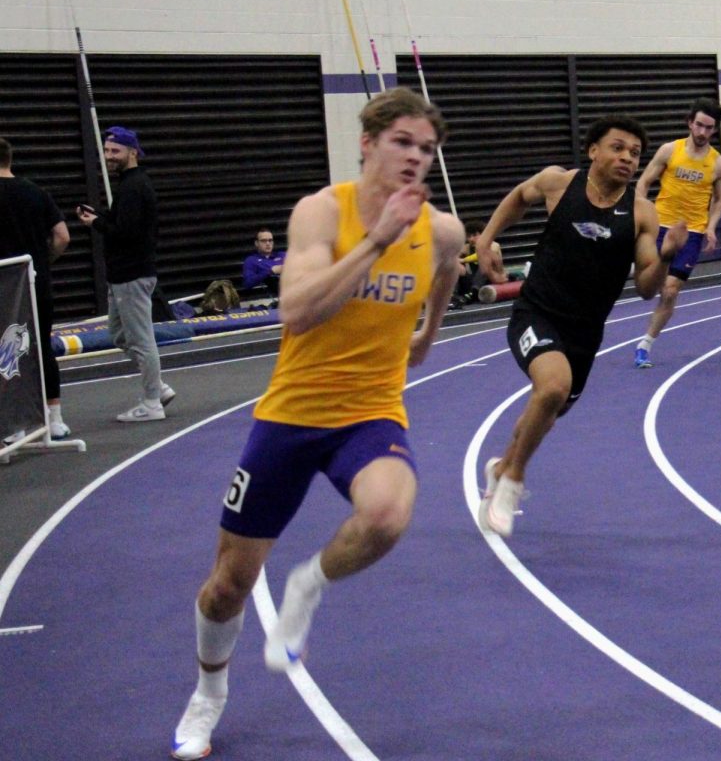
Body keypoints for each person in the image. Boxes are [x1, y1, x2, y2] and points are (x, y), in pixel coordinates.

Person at [168, 87, 463, 760]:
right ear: (367, 143)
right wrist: (377, 242)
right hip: (290, 418)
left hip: (370, 414)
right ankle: (209, 693)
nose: (416, 157)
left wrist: (427, 334)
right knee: (226, 589)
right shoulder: (321, 213)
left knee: (389, 515)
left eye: (427, 148)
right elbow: (297, 311)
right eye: (403, 143)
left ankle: (308, 584)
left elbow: (449, 263)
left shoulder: (437, 228)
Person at [474, 115, 686, 538]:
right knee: (551, 387)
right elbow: (519, 196)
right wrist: (485, 239)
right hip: (536, 312)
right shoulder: (559, 184)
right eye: (618, 147)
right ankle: (512, 482)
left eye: (635, 153)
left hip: (585, 332)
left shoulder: (642, 213)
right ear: (593, 151)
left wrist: (664, 257)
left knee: (550, 409)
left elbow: (646, 288)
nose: (627, 157)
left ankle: (500, 466)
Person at [75, 126, 176, 422]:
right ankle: (158, 386)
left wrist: (96, 224)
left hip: (133, 275)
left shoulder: (135, 187)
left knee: (142, 341)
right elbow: (121, 223)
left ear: (132, 152)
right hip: (121, 275)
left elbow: (126, 233)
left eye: (115, 151)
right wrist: (98, 216)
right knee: (118, 335)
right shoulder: (128, 185)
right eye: (106, 151)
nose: (109, 156)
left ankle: (151, 403)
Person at [632, 97, 721, 369]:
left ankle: (645, 345)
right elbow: (644, 182)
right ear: (690, 123)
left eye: (709, 128)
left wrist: (710, 227)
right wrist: (642, 213)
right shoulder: (669, 151)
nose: (702, 132)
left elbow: (719, 200)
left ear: (714, 131)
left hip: (692, 233)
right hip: (659, 226)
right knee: (648, 288)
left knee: (671, 290)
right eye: (699, 125)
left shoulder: (719, 164)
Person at [0, 138, 72, 438]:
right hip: (34, 281)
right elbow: (62, 236)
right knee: (41, 345)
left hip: (5, 285)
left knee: (8, 352)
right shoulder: (36, 192)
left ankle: (16, 424)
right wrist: (43, 263)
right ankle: (54, 417)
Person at [451, 219, 506, 309]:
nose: (471, 239)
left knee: (486, 263)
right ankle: (453, 295)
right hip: (473, 283)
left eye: (475, 235)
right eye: (469, 236)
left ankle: (473, 292)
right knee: (455, 266)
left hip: (492, 281)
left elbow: (483, 254)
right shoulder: (467, 247)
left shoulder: (493, 245)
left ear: (484, 235)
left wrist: (464, 260)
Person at [241, 229, 285, 296]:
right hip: (275, 293)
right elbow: (247, 283)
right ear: (256, 243)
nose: (268, 243)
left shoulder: (282, 255)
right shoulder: (251, 260)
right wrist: (271, 271)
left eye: (270, 240)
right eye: (263, 241)